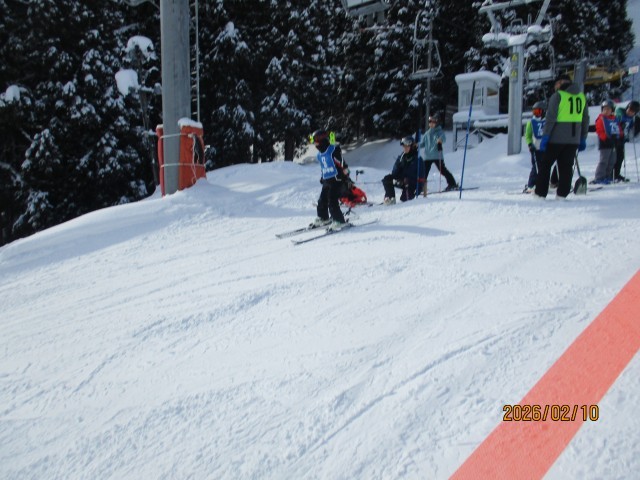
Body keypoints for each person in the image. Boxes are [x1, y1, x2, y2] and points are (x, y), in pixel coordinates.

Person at [534, 74, 589, 199]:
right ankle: (562, 194)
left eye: (556, 84)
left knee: (545, 165)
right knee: (566, 167)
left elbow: (551, 118)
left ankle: (540, 193)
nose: (555, 87)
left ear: (560, 83)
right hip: (573, 139)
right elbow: (585, 119)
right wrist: (583, 137)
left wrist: (546, 136)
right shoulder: (581, 97)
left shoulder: (558, 96)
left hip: (556, 138)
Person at [309, 130, 348, 231]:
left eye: (315, 140)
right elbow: (323, 167)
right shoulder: (319, 154)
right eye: (313, 140)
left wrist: (345, 172)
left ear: (321, 139)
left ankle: (339, 220)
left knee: (332, 200)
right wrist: (323, 177)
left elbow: (341, 163)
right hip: (327, 179)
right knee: (322, 200)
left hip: (336, 179)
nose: (314, 143)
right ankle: (323, 218)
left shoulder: (332, 150)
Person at [381, 136, 425, 204]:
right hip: (402, 181)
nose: (405, 148)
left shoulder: (418, 159)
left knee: (404, 201)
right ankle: (390, 198)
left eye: (407, 146)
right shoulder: (402, 157)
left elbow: (421, 176)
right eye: (404, 147)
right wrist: (398, 164)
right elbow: (394, 173)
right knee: (387, 179)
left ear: (412, 147)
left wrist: (418, 189)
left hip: (411, 184)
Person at [421, 114, 458, 193]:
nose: (432, 123)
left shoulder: (439, 131)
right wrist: (416, 145)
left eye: (433, 122)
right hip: (427, 156)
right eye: (430, 122)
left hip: (437, 155)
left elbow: (443, 138)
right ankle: (421, 187)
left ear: (436, 123)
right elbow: (423, 144)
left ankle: (452, 184)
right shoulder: (427, 133)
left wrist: (440, 140)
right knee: (424, 172)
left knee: (443, 170)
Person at [591, 99, 623, 184]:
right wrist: (605, 138)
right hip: (605, 143)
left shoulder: (614, 119)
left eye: (608, 109)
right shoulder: (601, 119)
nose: (606, 111)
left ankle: (607, 176)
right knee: (604, 161)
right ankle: (599, 177)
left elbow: (618, 129)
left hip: (614, 143)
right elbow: (599, 130)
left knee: (612, 161)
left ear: (612, 110)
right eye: (604, 109)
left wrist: (620, 137)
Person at [613, 100, 640, 182]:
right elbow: (618, 114)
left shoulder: (631, 118)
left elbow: (630, 126)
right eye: (629, 109)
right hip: (615, 138)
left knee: (620, 157)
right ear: (627, 108)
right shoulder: (621, 112)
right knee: (614, 157)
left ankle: (616, 174)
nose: (630, 112)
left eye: (633, 112)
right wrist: (621, 121)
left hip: (622, 139)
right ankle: (611, 174)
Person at [523, 101, 546, 193]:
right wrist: (530, 144)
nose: (536, 114)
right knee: (535, 167)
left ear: (543, 111)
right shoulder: (531, 122)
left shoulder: (547, 121)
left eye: (538, 111)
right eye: (534, 112)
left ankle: (543, 182)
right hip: (535, 148)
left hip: (545, 148)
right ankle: (531, 185)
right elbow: (528, 136)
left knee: (544, 167)